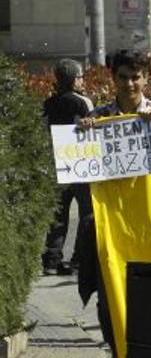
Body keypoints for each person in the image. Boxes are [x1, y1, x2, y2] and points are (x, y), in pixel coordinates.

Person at [78, 50, 151, 358]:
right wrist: (83, 134)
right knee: (108, 304)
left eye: (136, 76)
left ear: (146, 78)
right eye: (124, 77)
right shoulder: (96, 120)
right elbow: (77, 169)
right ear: (114, 79)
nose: (130, 83)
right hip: (110, 230)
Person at [42, 59, 93, 275]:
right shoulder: (83, 103)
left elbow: (42, 131)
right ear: (74, 80)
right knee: (86, 214)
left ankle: (52, 261)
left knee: (58, 215)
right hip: (81, 165)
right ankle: (78, 261)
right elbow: (94, 129)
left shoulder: (49, 103)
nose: (83, 81)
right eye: (81, 77)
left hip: (56, 166)